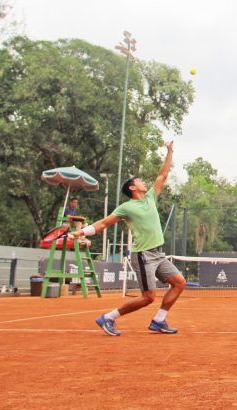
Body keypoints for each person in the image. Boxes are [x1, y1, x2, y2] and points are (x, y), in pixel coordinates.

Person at [69, 140, 185, 336]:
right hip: (143, 255)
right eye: (139, 181)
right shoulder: (126, 207)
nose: (143, 182)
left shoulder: (150, 198)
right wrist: (82, 232)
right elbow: (104, 223)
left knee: (179, 282)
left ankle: (158, 320)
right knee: (148, 297)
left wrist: (170, 152)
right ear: (132, 188)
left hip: (158, 254)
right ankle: (108, 317)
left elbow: (163, 175)